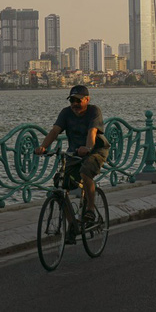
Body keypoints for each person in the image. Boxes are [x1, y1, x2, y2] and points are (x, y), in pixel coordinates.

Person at [35, 85, 110, 223]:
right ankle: (72, 224)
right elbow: (55, 131)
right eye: (72, 101)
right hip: (74, 153)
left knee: (85, 172)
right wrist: (43, 147)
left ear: (87, 99)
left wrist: (87, 147)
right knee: (61, 182)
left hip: (96, 150)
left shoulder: (94, 111)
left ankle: (90, 209)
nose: (75, 104)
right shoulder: (66, 113)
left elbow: (92, 132)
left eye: (78, 100)